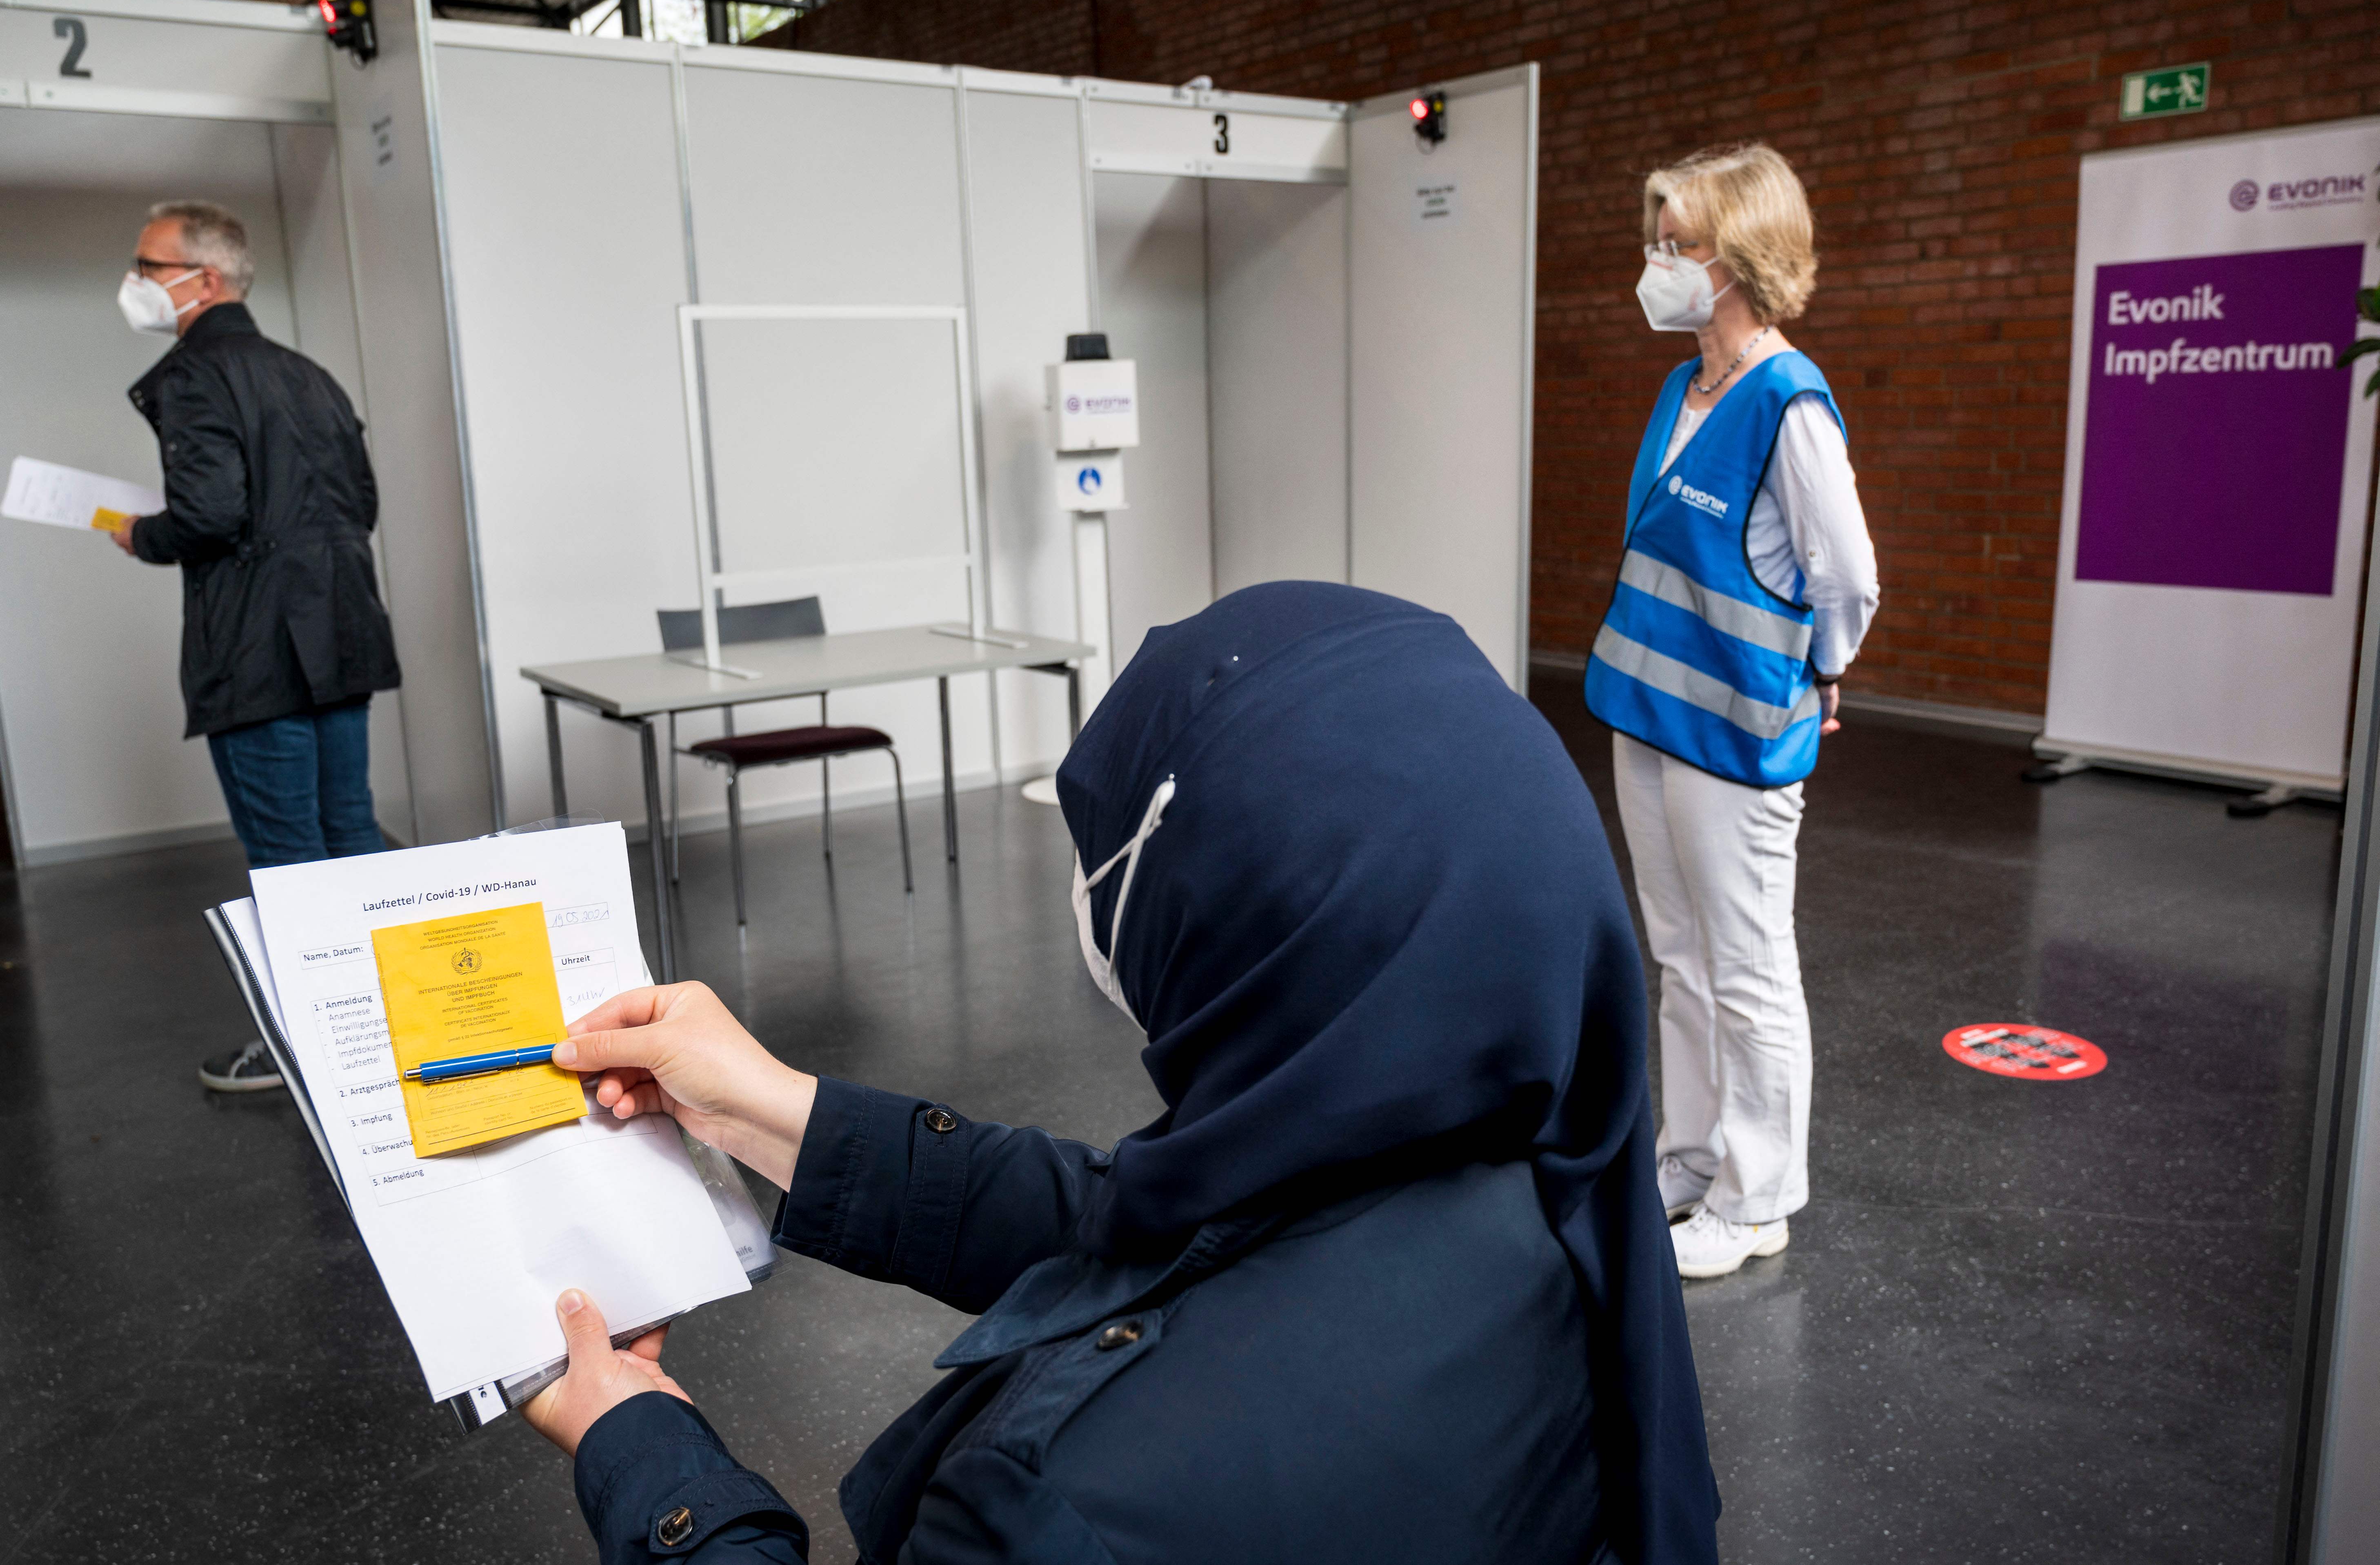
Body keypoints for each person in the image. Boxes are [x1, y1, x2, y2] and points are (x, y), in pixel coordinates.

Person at [521, 582, 1721, 1565]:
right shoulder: (1537, 1171)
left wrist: (650, 1456)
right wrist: (776, 1108)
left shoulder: (1062, 1509)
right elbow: (1137, 1219)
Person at [1583, 144, 1880, 1280]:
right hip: (1648, 712)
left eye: (1679, 245)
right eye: (1657, 240)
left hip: (1733, 735)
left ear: (1740, 259)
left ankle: (1759, 1199)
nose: (1659, 263)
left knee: (1749, 964)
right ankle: (1693, 1158)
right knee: (1682, 955)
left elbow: (1844, 572)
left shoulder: (1789, 403)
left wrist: (1827, 669)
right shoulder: (1682, 387)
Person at [111, 201, 403, 1093]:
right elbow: (361, 504)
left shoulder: (194, 377)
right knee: (348, 827)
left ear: (205, 279)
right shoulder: (309, 375)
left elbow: (210, 516)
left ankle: (308, 1051)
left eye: (148, 264)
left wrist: (138, 535)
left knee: (286, 856)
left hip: (259, 651)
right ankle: (395, 1024)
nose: (135, 280)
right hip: (340, 631)